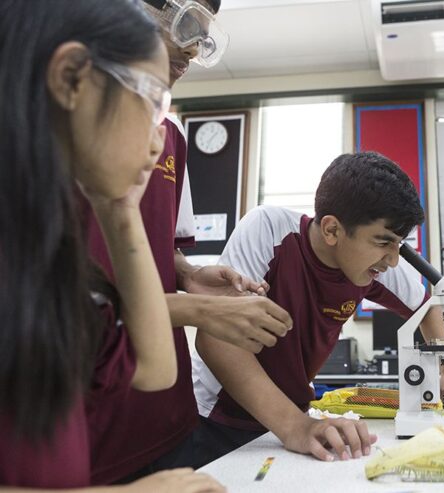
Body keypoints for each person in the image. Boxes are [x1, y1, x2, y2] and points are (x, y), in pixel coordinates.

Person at [0, 0, 222, 490]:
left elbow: (155, 368)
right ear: (73, 79)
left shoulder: (54, 263)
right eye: (150, 100)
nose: (157, 137)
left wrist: (119, 209)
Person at [83, 0, 293, 484]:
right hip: (88, 410)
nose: (193, 46)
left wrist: (190, 274)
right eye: (185, 23)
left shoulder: (169, 136)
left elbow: (157, 249)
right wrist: (205, 313)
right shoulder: (54, 129)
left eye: (203, 31)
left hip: (163, 407)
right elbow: (86, 304)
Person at [191, 152, 444, 465]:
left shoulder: (373, 264)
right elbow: (217, 341)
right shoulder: (269, 231)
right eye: (383, 242)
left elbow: (428, 310)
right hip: (220, 420)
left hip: (291, 423)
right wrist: (296, 426)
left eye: (399, 245)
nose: (392, 260)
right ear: (332, 230)